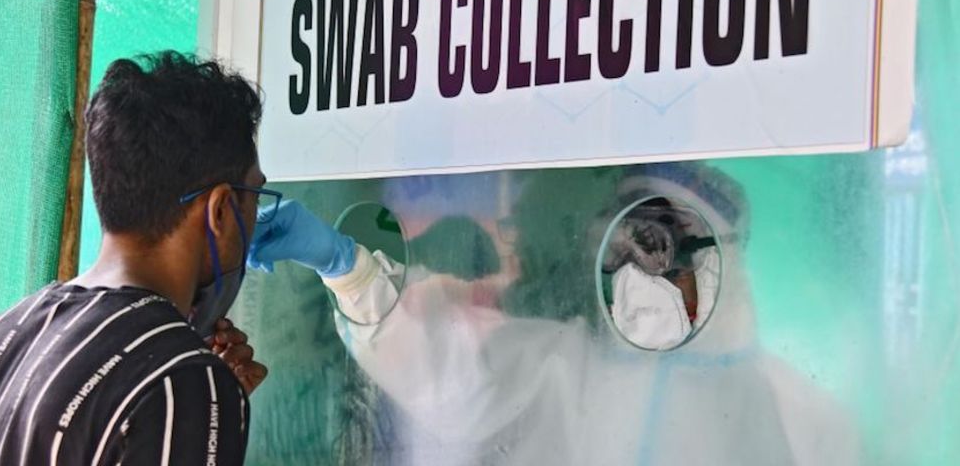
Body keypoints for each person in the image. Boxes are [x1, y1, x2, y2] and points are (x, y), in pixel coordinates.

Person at [250, 162, 859, 465]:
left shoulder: (809, 418)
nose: (637, 273)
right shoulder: (564, 368)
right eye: (624, 246)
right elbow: (442, 360)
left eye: (659, 249)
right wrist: (351, 270)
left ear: (720, 259)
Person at [0, 52, 269, 465]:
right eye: (254, 198)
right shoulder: (181, 380)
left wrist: (197, 426)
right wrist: (202, 405)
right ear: (221, 211)